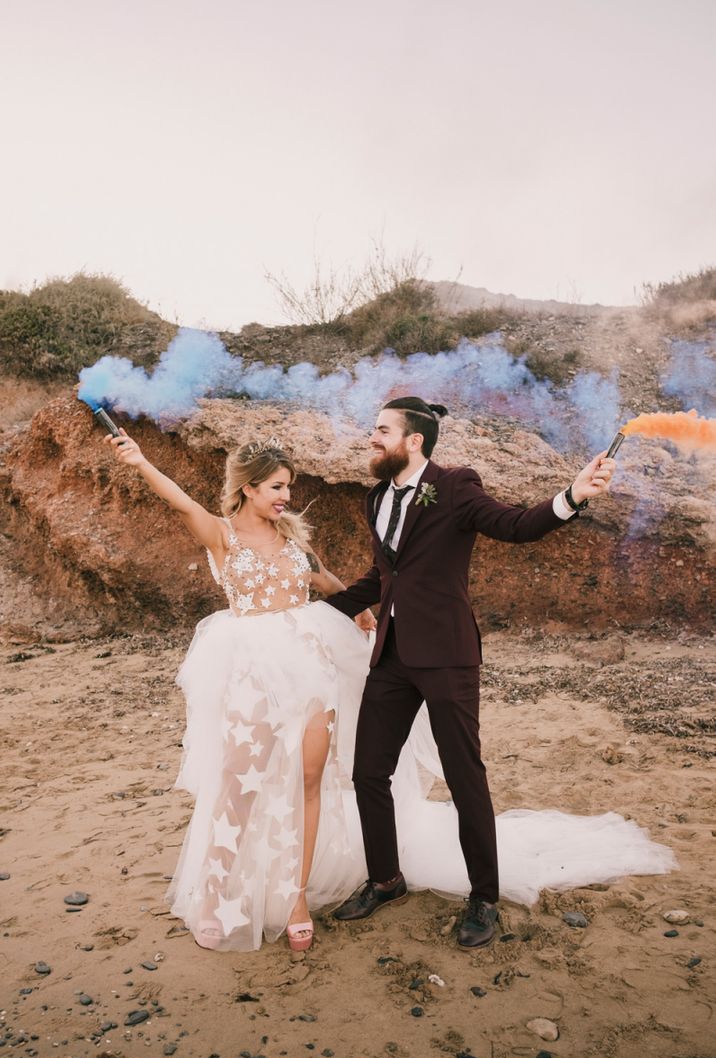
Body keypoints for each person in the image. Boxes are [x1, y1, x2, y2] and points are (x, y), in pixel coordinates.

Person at [325, 396, 649, 947]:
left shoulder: (454, 486)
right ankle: (385, 879)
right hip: (392, 655)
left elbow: (516, 525)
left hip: (448, 656)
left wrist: (572, 497)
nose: (371, 438)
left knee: (465, 776)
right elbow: (383, 578)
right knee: (367, 772)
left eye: (381, 430)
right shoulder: (376, 497)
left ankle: (483, 898)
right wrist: (305, 611)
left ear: (413, 441)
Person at [105, 430, 375, 952]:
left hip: (311, 671)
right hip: (253, 672)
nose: (286, 497)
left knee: (310, 779)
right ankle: (213, 893)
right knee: (239, 784)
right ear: (249, 488)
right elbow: (180, 500)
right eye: (277, 487)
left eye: (288, 488)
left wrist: (359, 608)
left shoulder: (295, 540)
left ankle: (295, 896)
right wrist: (139, 461)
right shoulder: (221, 535)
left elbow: (329, 583)